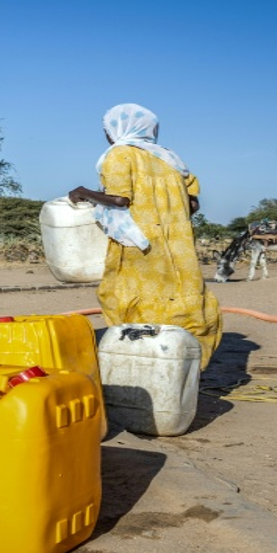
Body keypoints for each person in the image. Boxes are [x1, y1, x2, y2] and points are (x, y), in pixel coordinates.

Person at [68, 104, 222, 367]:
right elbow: (193, 205)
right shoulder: (171, 159)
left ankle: (146, 363)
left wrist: (82, 192)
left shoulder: (120, 154)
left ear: (116, 130)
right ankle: (182, 361)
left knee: (127, 296)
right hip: (177, 246)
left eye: (107, 129)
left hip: (138, 245)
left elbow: (119, 199)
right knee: (182, 298)